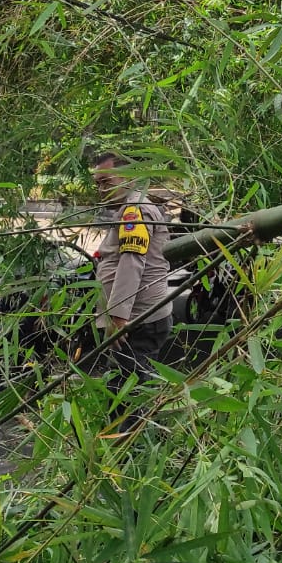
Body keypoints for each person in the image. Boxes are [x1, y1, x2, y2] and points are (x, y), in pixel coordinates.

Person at [90, 150, 174, 390]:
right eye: (98, 184)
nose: (102, 189)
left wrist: (118, 317)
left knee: (127, 395)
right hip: (137, 318)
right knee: (131, 389)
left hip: (136, 321)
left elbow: (131, 262)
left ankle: (130, 429)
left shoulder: (134, 211)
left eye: (107, 181)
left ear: (130, 177)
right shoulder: (130, 207)